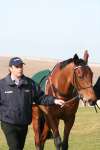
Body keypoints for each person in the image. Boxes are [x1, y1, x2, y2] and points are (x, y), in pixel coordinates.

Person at [0, 57, 65, 150]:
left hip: (23, 123)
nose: (20, 69)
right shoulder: (2, 85)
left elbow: (40, 98)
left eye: (21, 66)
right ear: (10, 68)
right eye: (17, 66)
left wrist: (54, 100)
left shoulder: (30, 84)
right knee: (14, 147)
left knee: (19, 147)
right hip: (8, 123)